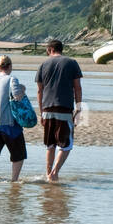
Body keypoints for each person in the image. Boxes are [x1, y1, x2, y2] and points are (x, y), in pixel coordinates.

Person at [35, 39, 83, 183]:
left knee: (50, 145)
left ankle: (48, 173)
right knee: (66, 145)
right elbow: (77, 87)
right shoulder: (72, 63)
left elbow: (39, 90)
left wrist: (41, 111)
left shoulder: (43, 65)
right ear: (61, 49)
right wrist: (79, 109)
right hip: (64, 108)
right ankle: (54, 173)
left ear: (50, 49)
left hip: (47, 109)